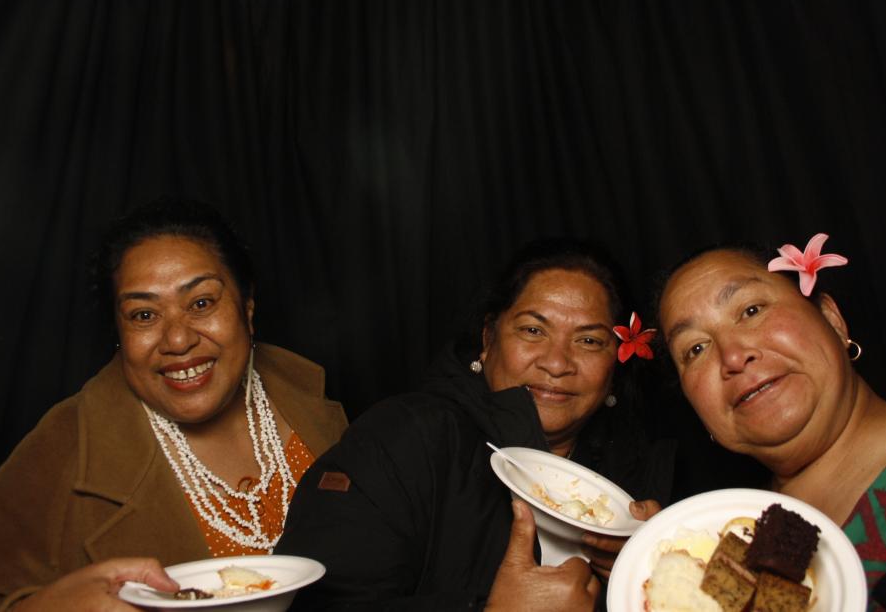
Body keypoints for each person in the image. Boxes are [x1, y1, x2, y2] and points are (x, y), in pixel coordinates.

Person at [0, 198, 349, 611]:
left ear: (247, 307)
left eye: (201, 303)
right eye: (144, 315)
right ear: (119, 333)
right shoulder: (62, 446)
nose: (177, 340)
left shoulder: (315, 406)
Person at [275, 238, 677, 611]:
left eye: (588, 341)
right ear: (488, 339)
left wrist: (643, 576)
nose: (556, 363)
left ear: (616, 363)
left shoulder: (641, 479)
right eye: (533, 330)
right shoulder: (403, 438)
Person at [655, 237, 886, 607]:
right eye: (695, 349)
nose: (733, 356)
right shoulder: (722, 533)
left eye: (751, 310)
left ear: (832, 320)